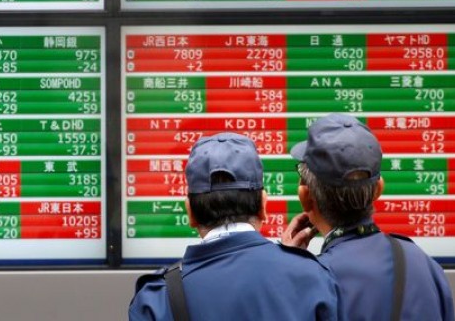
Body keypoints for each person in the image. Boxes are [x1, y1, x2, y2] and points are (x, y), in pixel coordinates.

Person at [129, 132, 343, 320]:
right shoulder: (313, 278)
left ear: (191, 213)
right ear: (263, 206)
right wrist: (290, 264)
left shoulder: (158, 297)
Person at [282, 113, 455, 320]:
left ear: (306, 197)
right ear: (378, 190)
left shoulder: (312, 281)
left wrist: (289, 267)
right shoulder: (425, 266)